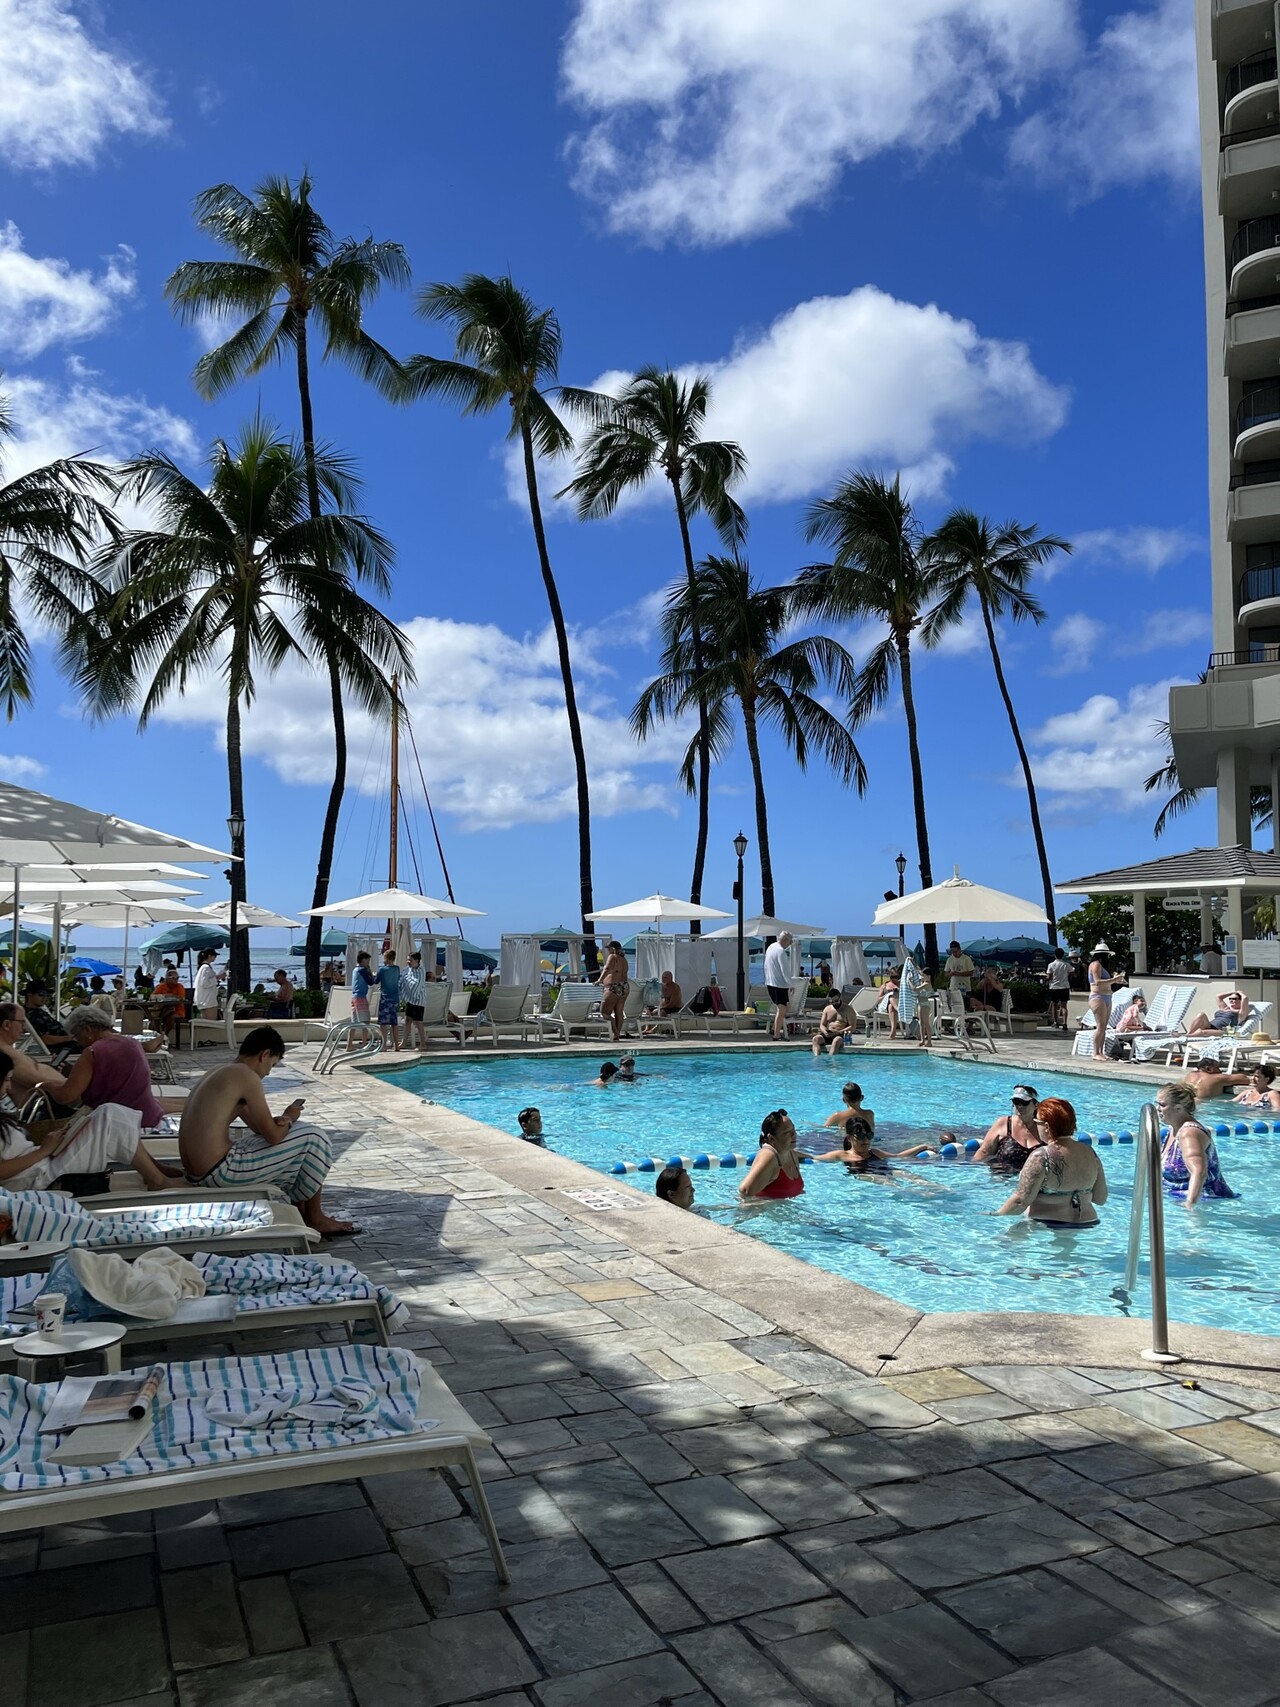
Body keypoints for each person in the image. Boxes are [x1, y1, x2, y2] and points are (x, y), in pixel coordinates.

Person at [179, 1025, 356, 1234]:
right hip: (220, 1172)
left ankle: (302, 1211)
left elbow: (260, 1129)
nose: (268, 1072)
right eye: (272, 1065)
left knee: (295, 1138)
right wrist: (290, 1117)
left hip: (198, 1172)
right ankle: (315, 1217)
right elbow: (273, 1137)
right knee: (313, 1136)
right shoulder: (247, 1076)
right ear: (264, 1055)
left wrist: (282, 1121)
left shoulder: (221, 1072)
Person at [0, 1050, 174, 1192]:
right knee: (110, 1116)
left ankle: (152, 1172)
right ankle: (156, 1178)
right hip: (38, 1180)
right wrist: (43, 1150)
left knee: (108, 1111)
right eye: (7, 1080)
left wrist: (54, 1142)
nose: (9, 1086)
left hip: (42, 1165)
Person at [996, 1096, 1108, 1227]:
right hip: (1088, 1224)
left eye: (1036, 1121)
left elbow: (1020, 1201)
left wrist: (995, 1216)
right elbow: (1100, 1198)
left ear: (1046, 1127)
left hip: (1046, 1226)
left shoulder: (1042, 1156)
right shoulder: (1091, 1153)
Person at [57, 1007, 177, 1128]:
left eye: (76, 1035)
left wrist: (46, 1084)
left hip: (116, 1123)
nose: (76, 1041)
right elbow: (108, 1077)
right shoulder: (132, 1043)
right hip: (146, 1116)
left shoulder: (93, 1052)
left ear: (88, 1030)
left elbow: (66, 1096)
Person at [1157, 1081, 1237, 1205]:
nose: (1158, 1109)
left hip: (1206, 1202)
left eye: (1162, 1105)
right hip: (1175, 1199)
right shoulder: (1173, 1129)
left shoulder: (1188, 1133)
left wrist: (1190, 1205)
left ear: (1178, 1108)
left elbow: (1199, 1172)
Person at [0, 1003, 73, 1108]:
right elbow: (39, 1080)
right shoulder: (6, 1054)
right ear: (6, 1025)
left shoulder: (7, 1051)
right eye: (21, 1022)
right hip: (34, 1114)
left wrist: (51, 1071)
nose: (24, 1028)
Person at [971, 1085, 1045, 1171]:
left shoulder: (1044, 1127)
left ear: (1036, 1104)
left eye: (1025, 1102)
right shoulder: (1003, 1123)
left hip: (1032, 1181)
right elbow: (984, 1152)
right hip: (1001, 1179)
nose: (1020, 1106)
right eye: (1016, 1101)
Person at [814, 1116, 933, 1167]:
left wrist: (922, 1146)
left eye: (869, 1135)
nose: (865, 1140)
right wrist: (795, 1155)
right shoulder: (841, 1155)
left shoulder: (874, 1152)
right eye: (860, 1136)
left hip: (884, 1170)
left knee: (913, 1177)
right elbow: (814, 1158)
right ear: (850, 1138)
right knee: (889, 1183)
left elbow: (898, 1156)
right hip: (865, 1174)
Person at [739, 1108, 805, 1200]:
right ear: (772, 1138)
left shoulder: (790, 1153)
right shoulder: (769, 1156)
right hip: (760, 1213)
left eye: (793, 1130)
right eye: (787, 1132)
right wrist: (769, 1204)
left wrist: (818, 1158)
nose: (794, 1135)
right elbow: (745, 1191)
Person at [21, 984, 77, 1054]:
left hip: (67, 1045)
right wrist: (69, 1038)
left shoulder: (38, 1011)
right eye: (41, 994)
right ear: (29, 995)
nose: (44, 998)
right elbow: (45, 1039)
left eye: (46, 995)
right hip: (62, 1049)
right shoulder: (33, 1015)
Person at [1087, 942, 1119, 1060]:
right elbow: (1097, 982)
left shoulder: (1102, 966)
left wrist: (1115, 980)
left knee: (1104, 1026)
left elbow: (1106, 981)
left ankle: (1100, 1051)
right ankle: (1095, 1052)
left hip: (1107, 997)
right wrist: (1114, 979)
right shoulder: (1095, 965)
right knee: (1100, 1026)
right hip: (1098, 997)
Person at [596, 940, 629, 1043]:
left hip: (613, 987)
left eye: (609, 949)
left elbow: (607, 969)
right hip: (624, 987)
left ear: (613, 949)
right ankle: (617, 1035)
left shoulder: (613, 957)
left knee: (604, 1012)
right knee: (619, 1013)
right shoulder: (624, 959)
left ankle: (616, 1033)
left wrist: (599, 980)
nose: (608, 951)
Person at [762, 932, 794, 1041]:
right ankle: (776, 1034)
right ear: (785, 940)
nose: (791, 943)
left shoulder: (771, 947)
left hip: (770, 982)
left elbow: (766, 965)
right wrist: (791, 984)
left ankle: (774, 1028)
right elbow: (785, 970)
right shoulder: (780, 952)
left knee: (784, 1007)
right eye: (790, 941)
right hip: (779, 984)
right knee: (782, 1009)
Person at [1187, 990, 1252, 1035]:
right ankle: (1189, 1033)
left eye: (1235, 999)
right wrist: (1233, 992)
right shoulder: (1225, 1008)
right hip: (1210, 1025)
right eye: (1230, 999)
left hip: (1221, 1030)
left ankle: (1187, 1037)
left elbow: (1245, 998)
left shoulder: (1240, 1013)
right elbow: (1218, 996)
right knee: (1201, 1014)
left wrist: (1240, 993)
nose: (1232, 1000)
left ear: (1241, 1001)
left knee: (1201, 1032)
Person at [373, 950, 402, 1051]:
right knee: (394, 1023)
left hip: (385, 998)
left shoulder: (382, 970)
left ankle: (384, 1045)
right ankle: (396, 1046)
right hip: (395, 998)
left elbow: (375, 981)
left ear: (386, 958)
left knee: (383, 1024)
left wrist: (372, 974)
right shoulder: (397, 969)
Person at [399, 952, 428, 1051]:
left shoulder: (421, 970)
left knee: (418, 1022)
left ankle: (423, 1044)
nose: (408, 962)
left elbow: (416, 984)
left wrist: (406, 979)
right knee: (407, 1020)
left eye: (410, 960)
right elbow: (403, 977)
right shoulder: (408, 970)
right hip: (411, 1000)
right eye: (408, 960)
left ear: (416, 961)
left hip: (419, 1000)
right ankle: (403, 1042)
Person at [151, 965, 188, 1039]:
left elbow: (181, 998)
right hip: (163, 1010)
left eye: (177, 977)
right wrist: (164, 996)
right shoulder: (162, 986)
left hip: (177, 1011)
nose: (176, 980)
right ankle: (158, 1035)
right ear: (167, 978)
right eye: (173, 978)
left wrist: (170, 996)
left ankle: (166, 1035)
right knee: (155, 1017)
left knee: (171, 1016)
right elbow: (152, 996)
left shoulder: (179, 986)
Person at [1181, 1065, 1251, 1102]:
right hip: (1205, 1105)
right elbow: (1245, 1079)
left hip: (1187, 1102)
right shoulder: (1216, 1078)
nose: (1220, 1071)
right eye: (1217, 1068)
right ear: (1209, 1069)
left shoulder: (1189, 1075)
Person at [348, 950, 374, 1050]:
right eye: (367, 961)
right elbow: (371, 982)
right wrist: (370, 971)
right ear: (363, 960)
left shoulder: (355, 969)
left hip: (354, 997)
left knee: (354, 1023)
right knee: (366, 1022)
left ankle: (349, 1045)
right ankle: (364, 1045)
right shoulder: (363, 970)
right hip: (361, 998)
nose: (368, 963)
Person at [193, 948, 221, 1025]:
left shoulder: (203, 968)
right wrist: (218, 977)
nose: (215, 958)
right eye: (214, 956)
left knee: (206, 1023)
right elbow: (205, 983)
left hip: (205, 1000)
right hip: (208, 1001)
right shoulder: (205, 968)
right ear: (209, 956)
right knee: (211, 1024)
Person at [1045, 948, 1071, 1030]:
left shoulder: (1051, 965)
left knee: (1054, 1005)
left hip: (1054, 987)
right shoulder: (1066, 964)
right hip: (1064, 986)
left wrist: (1045, 978)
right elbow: (1072, 973)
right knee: (1064, 1006)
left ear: (1055, 955)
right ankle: (1065, 1023)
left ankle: (1056, 1022)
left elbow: (1049, 977)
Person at [943, 941, 975, 1006]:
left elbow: (971, 973)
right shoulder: (950, 959)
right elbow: (946, 974)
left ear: (959, 950)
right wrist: (951, 974)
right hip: (953, 988)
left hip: (965, 988)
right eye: (952, 952)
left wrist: (959, 974)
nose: (954, 953)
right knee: (955, 1006)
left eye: (955, 952)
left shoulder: (966, 959)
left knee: (966, 1005)